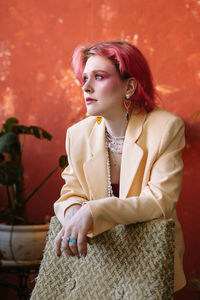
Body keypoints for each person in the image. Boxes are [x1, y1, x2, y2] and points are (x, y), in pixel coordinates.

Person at [54, 41, 186, 292]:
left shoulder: (166, 128)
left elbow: (160, 201)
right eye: (84, 78)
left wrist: (93, 212)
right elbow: (71, 192)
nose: (86, 87)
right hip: (98, 261)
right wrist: (74, 217)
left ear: (130, 86)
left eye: (99, 77)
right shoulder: (77, 134)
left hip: (149, 261)